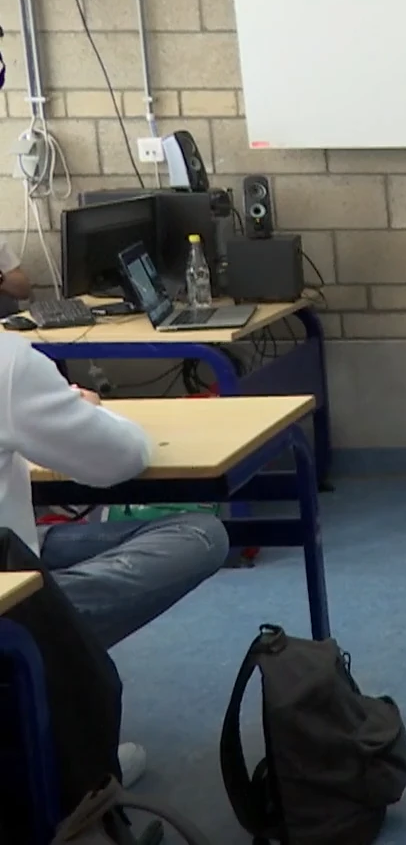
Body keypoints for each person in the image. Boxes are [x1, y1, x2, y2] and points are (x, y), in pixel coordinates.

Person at [0, 331, 229, 783]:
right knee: (198, 534)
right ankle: (54, 639)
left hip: (17, 552)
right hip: (8, 600)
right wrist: (85, 411)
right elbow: (120, 458)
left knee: (39, 542)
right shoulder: (8, 362)